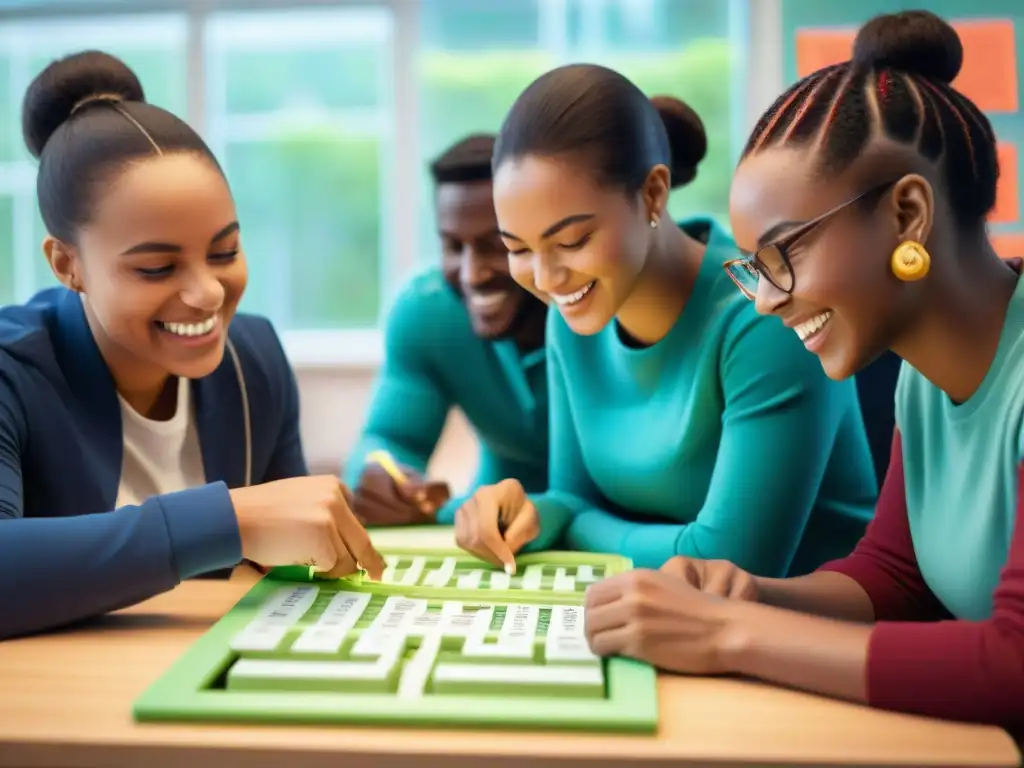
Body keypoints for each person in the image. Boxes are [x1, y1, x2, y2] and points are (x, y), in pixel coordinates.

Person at [582, 10, 1023, 734]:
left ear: (908, 213)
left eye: (784, 255)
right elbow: (895, 578)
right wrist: (744, 595)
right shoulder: (923, 374)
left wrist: (725, 637)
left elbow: (1013, 665)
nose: (763, 300)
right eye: (753, 267)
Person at [0, 50, 384, 641]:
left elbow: (291, 560)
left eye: (225, 252)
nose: (207, 293)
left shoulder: (253, 358)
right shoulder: (12, 368)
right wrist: (226, 520)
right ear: (66, 263)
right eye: (157, 267)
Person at [453, 64, 879, 577]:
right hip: (663, 617)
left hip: (798, 632)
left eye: (571, 242)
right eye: (517, 248)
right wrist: (533, 512)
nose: (546, 278)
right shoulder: (572, 316)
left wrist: (572, 522)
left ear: (654, 193)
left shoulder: (764, 316)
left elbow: (730, 563)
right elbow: (571, 496)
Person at [344, 134, 549, 526]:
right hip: (484, 527)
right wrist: (378, 476)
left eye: (497, 246)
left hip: (607, 527)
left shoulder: (597, 304)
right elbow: (390, 439)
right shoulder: (428, 311)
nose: (472, 274)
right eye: (453, 246)